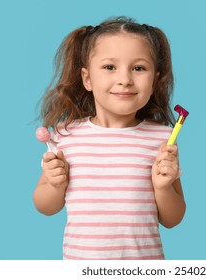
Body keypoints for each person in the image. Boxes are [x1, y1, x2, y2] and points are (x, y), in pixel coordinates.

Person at [33, 16, 186, 260]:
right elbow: (45, 207)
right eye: (109, 67)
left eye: (138, 68)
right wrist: (54, 184)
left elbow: (173, 219)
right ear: (87, 78)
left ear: (155, 79)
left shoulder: (162, 138)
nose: (124, 79)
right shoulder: (65, 136)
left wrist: (163, 187)